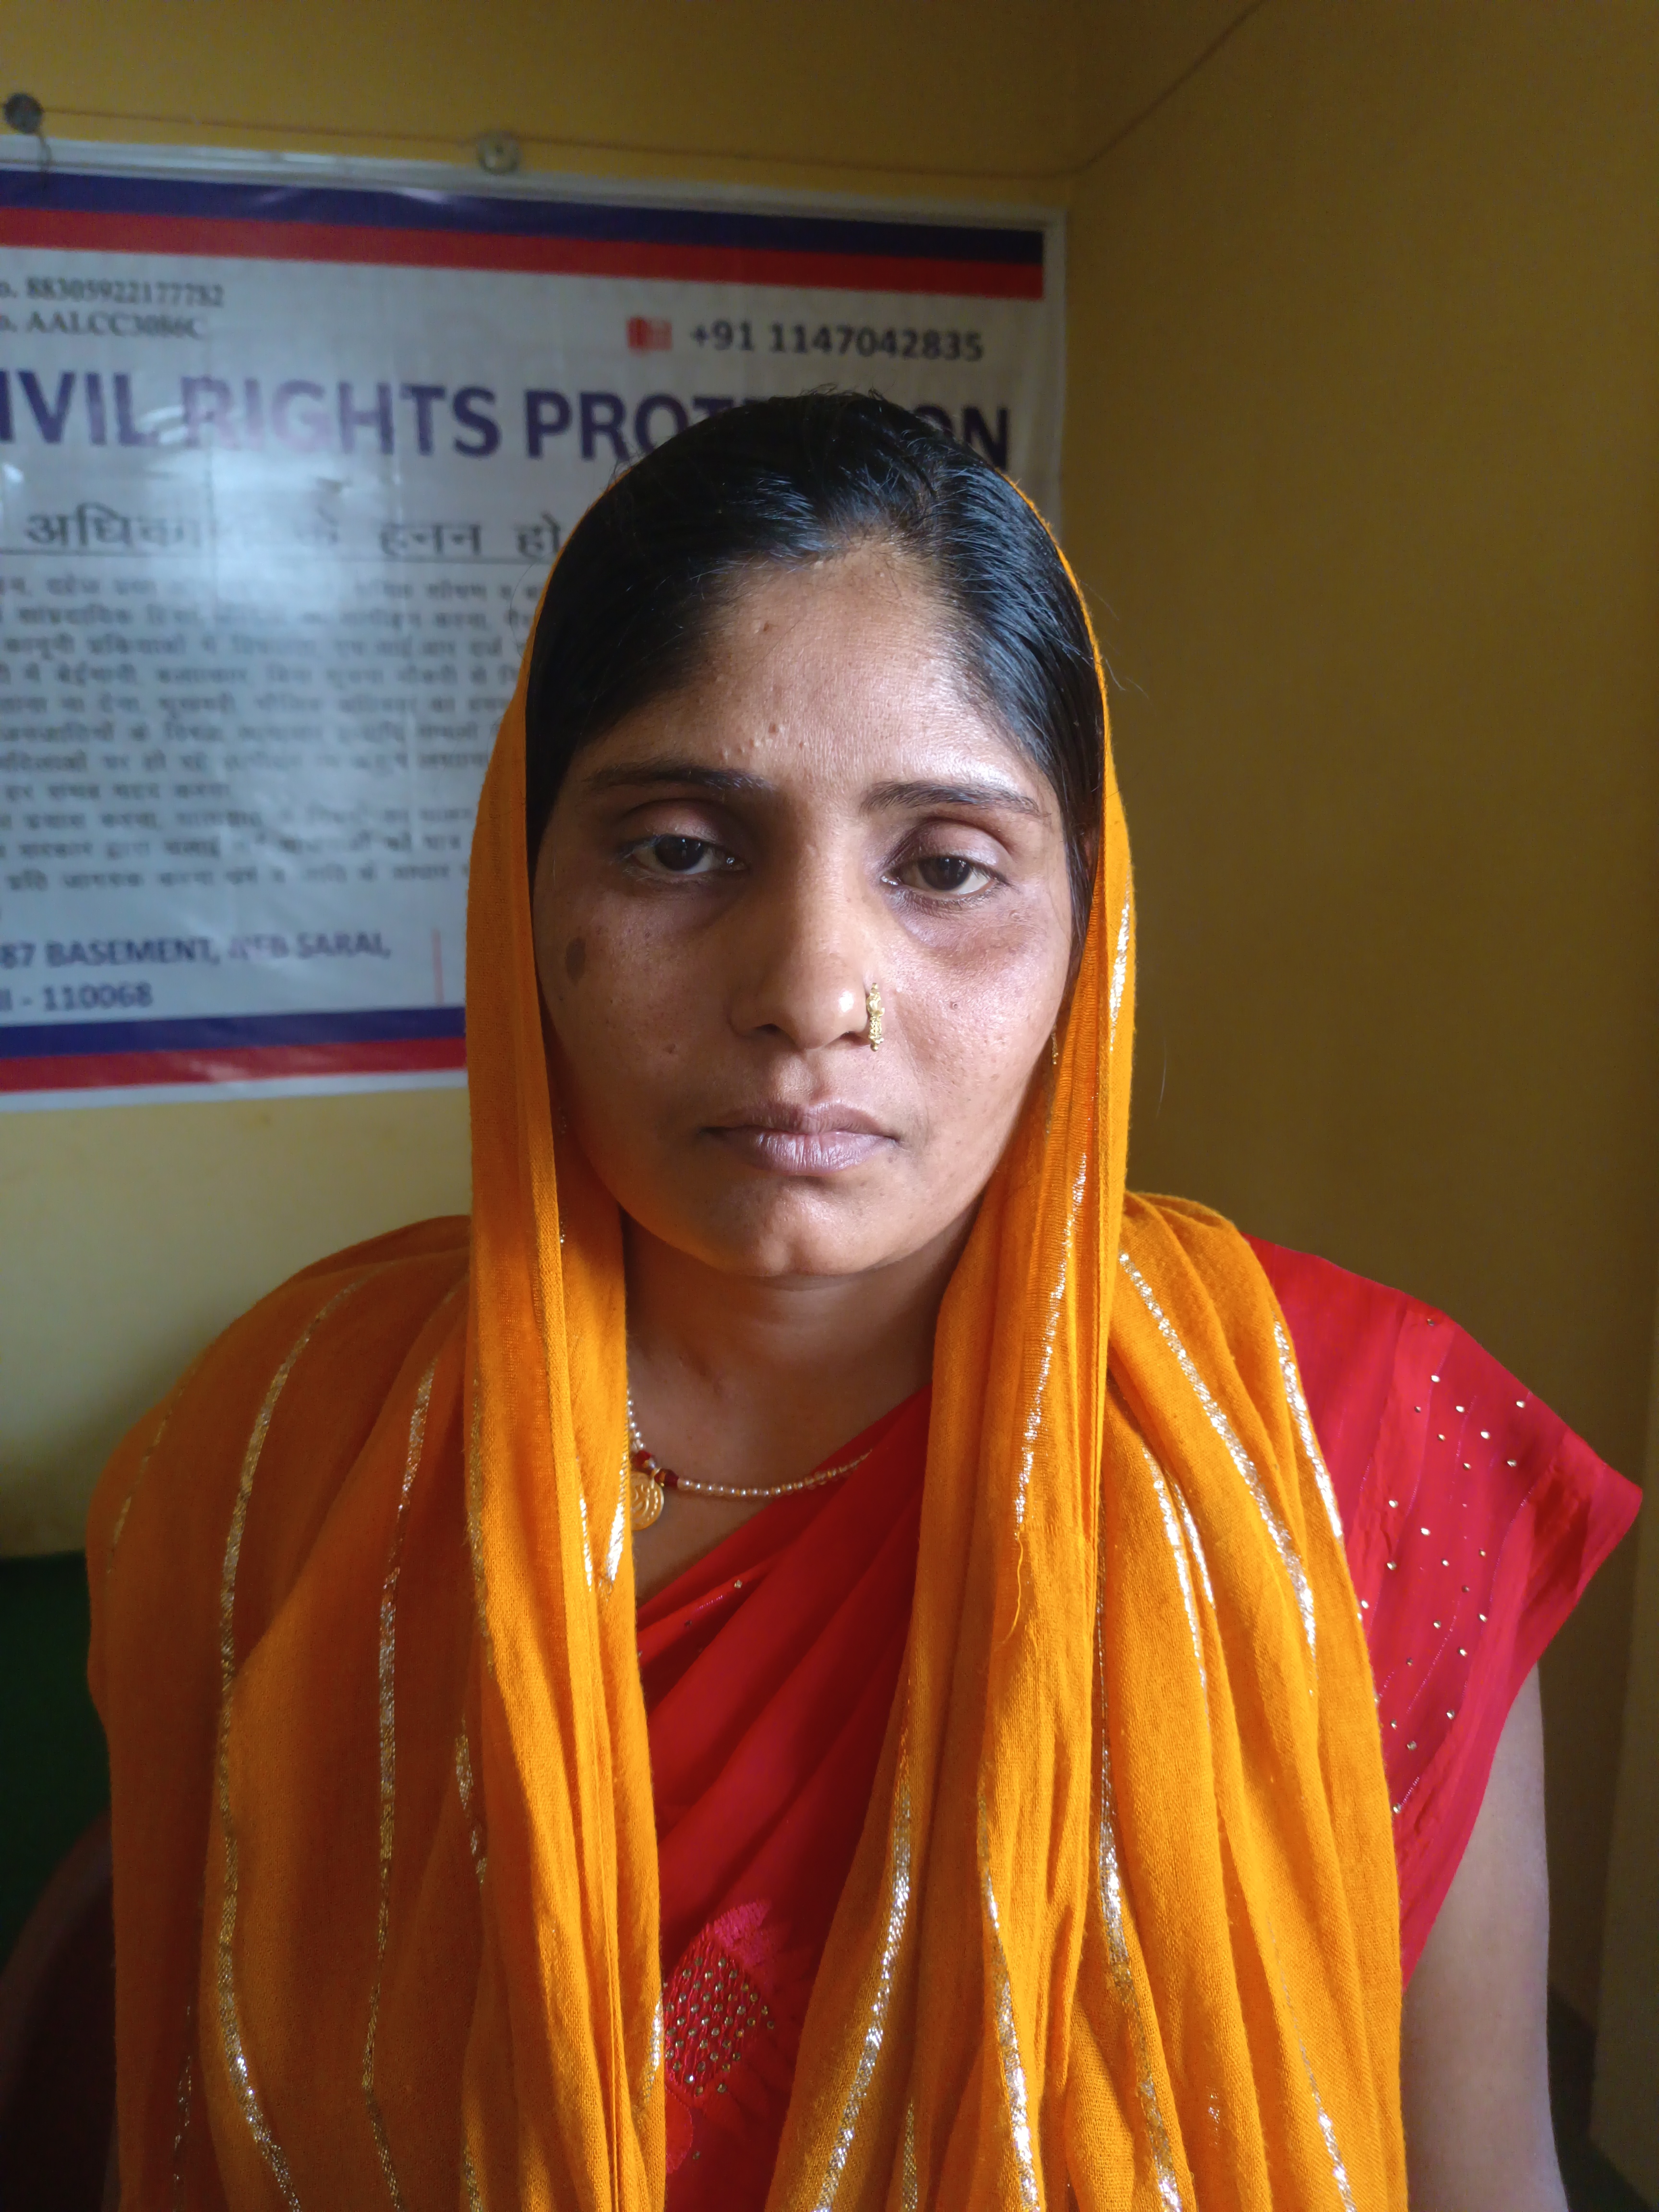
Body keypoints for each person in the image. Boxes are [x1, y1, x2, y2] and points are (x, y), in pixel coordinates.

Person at [87, 393, 1637, 2212]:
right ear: (526, 890)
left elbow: (1482, 2177)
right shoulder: (287, 1448)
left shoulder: (1347, 1450)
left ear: (1088, 921)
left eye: (946, 867)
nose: (814, 988)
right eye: (679, 848)